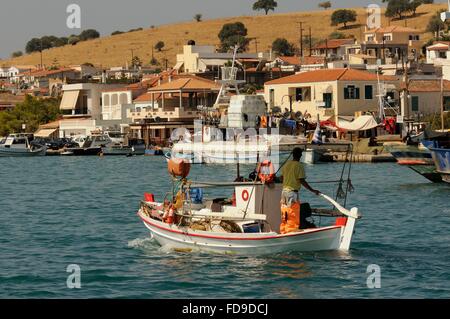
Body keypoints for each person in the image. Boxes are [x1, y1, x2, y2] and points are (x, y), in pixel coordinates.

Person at [279, 148, 321, 234]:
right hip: (292, 192)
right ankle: (291, 231)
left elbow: (282, 178)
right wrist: (312, 190)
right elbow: (302, 180)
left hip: (284, 192)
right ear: (300, 155)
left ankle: (283, 230)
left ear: (293, 154)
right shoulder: (299, 166)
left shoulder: (286, 164)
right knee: (293, 212)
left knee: (285, 212)